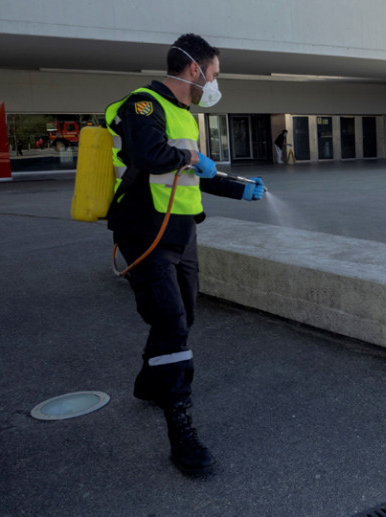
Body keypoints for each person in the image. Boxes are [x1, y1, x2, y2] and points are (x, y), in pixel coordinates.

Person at [104, 33, 265, 475]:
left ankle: (149, 383)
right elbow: (153, 155)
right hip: (145, 233)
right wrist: (194, 161)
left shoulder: (184, 115)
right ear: (195, 70)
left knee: (182, 316)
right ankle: (181, 429)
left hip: (180, 233)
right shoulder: (143, 105)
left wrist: (238, 188)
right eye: (215, 75)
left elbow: (193, 172)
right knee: (172, 324)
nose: (215, 84)